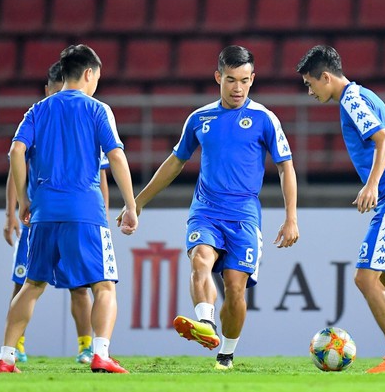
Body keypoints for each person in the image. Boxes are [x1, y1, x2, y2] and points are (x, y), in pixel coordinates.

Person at [121, 45, 299, 370]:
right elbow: (175, 162)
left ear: (253, 79)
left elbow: (286, 167)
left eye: (245, 80)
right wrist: (138, 202)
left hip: (245, 216)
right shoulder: (199, 119)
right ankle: (206, 323)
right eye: (231, 79)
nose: (238, 88)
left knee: (235, 288)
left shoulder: (264, 119)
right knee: (200, 258)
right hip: (206, 210)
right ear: (218, 77)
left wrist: (291, 218)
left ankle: (226, 354)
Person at [0, 44, 139, 374]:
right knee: (104, 286)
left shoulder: (37, 110)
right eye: (97, 77)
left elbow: (16, 151)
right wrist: (131, 205)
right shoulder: (98, 109)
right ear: (89, 74)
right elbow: (115, 156)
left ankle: (5, 357)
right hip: (85, 211)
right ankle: (100, 352)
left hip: (43, 212)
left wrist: (25, 201)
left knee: (31, 285)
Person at [296, 45, 385, 374]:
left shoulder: (352, 100)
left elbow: (384, 141)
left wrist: (372, 184)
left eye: (311, 84)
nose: (310, 92)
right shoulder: (368, 95)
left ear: (326, 77)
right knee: (381, 281)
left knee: (365, 279)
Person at [2, 61, 110, 365]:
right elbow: (15, 169)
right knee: (26, 281)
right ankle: (19, 345)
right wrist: (12, 211)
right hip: (38, 216)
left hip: (43, 214)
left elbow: (101, 173)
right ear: (48, 88)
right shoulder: (44, 116)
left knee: (72, 286)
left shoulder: (46, 118)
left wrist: (103, 211)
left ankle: (84, 345)